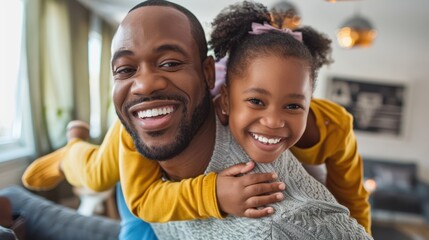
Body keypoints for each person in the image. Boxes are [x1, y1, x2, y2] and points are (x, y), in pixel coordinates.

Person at [22, 0, 372, 238]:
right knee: (96, 171)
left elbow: (352, 196)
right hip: (137, 170)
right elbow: (143, 200)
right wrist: (214, 193)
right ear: (226, 101)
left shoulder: (333, 126)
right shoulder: (146, 122)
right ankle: (70, 149)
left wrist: (361, 229)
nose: (272, 122)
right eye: (256, 102)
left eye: (293, 107)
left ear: (308, 101)